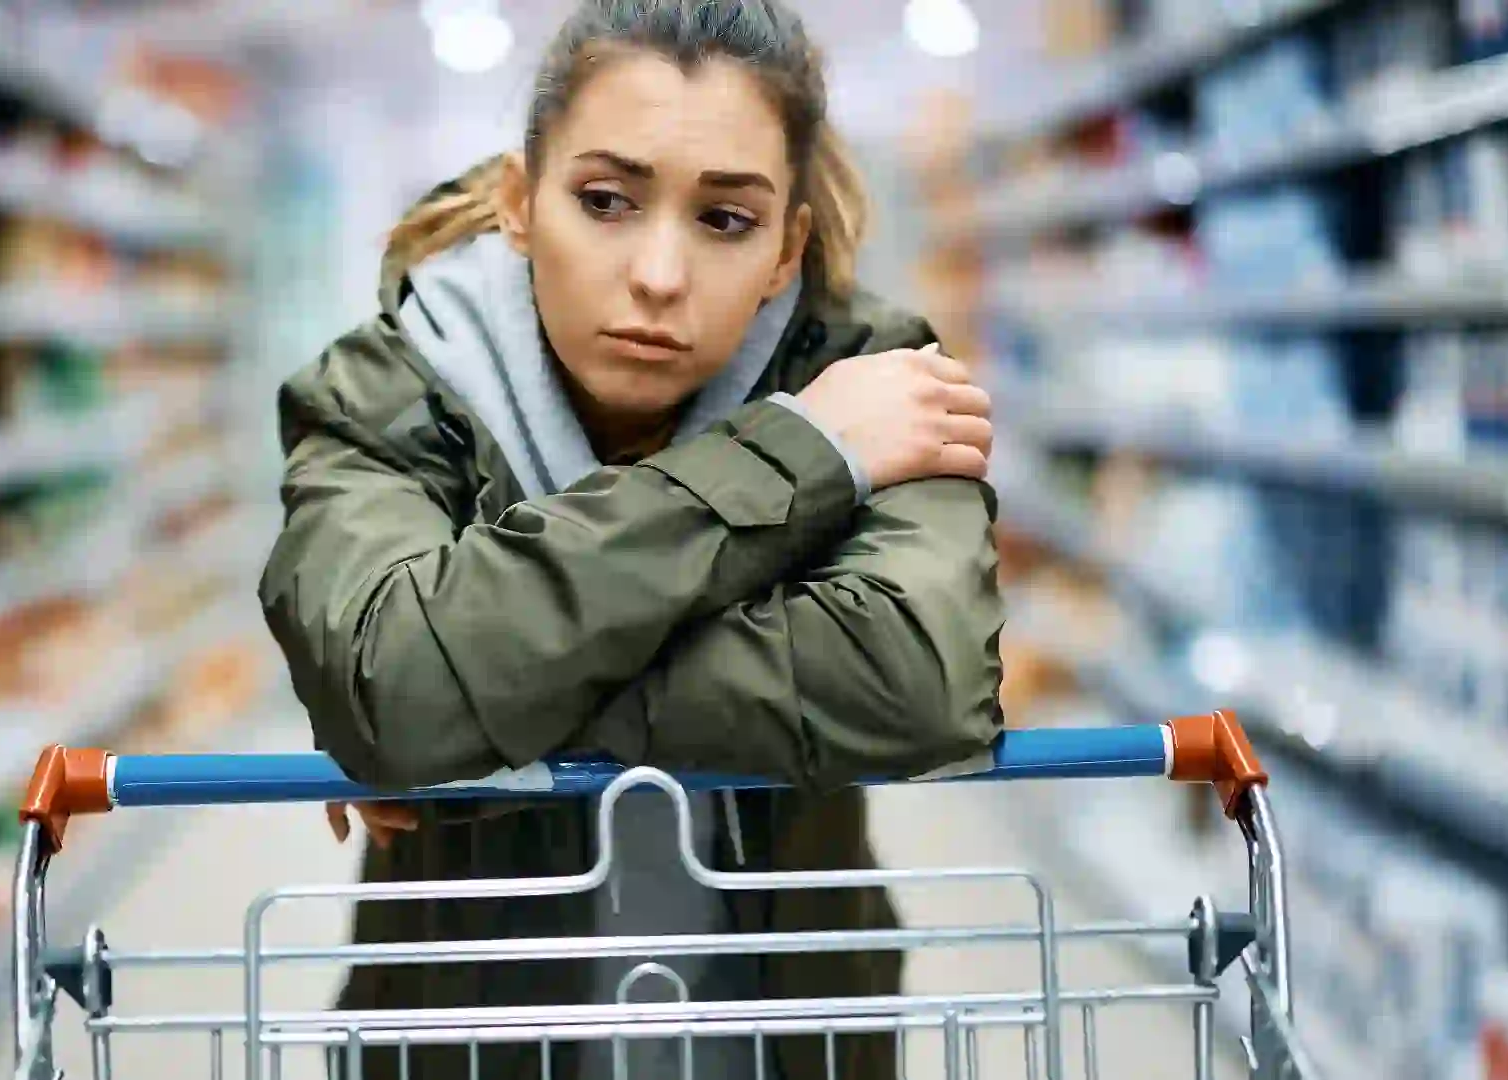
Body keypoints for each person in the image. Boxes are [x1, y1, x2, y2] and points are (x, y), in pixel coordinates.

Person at [258, 1, 1005, 1075]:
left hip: (790, 1031)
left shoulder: (880, 383)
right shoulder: (386, 392)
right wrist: (800, 454)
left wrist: (472, 696)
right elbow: (393, 679)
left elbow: (919, 680)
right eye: (605, 201)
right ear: (519, 203)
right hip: (470, 1041)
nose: (659, 274)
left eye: (726, 221)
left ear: (788, 246)